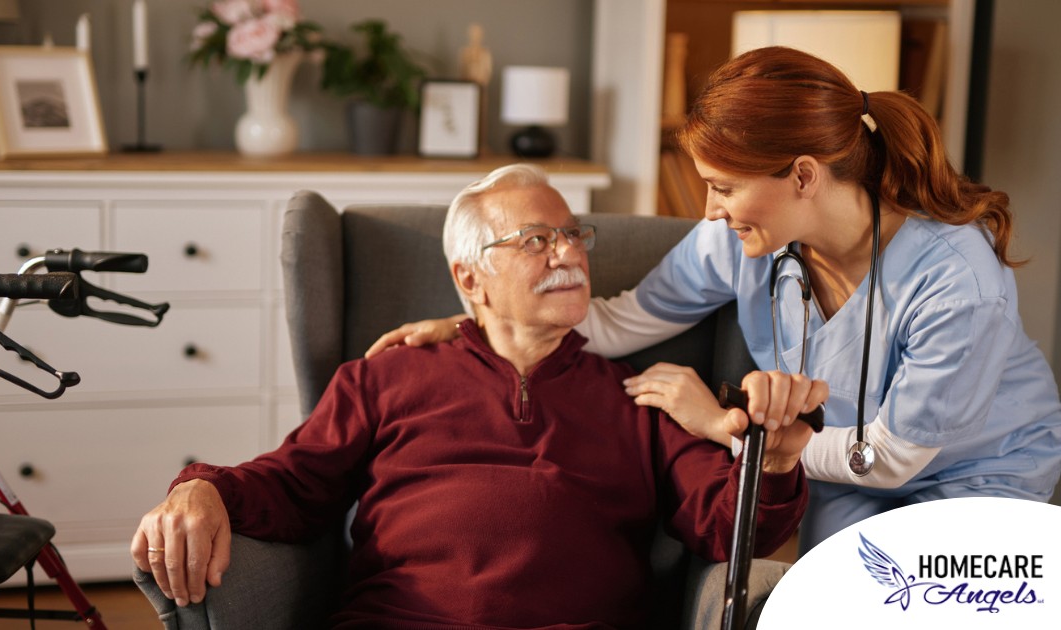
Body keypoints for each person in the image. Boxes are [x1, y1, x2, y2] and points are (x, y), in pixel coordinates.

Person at [365, 46, 1061, 555]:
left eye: (723, 186)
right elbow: (613, 322)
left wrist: (723, 424)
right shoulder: (737, 241)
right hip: (845, 471)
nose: (709, 208)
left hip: (977, 472)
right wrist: (479, 322)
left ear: (803, 176)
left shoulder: (955, 281)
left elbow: (892, 458)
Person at [132, 163, 814, 628]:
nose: (569, 255)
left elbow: (729, 526)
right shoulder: (384, 376)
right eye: (536, 241)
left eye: (574, 235)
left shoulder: (640, 397)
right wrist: (201, 488)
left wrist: (777, 460)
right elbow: (293, 482)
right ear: (471, 276)